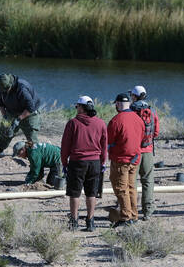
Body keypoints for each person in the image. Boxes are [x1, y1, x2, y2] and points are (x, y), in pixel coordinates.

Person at [61, 95, 106, 232]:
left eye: (77, 106)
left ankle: (74, 221)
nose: (76, 108)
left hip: (77, 161)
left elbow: (65, 146)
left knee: (74, 193)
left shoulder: (73, 123)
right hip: (95, 162)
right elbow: (104, 146)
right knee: (91, 193)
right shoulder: (101, 123)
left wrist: (64, 163)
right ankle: (90, 221)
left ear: (81, 108)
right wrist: (102, 162)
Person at [106, 92, 144, 226]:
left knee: (121, 188)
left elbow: (109, 140)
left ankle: (126, 217)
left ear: (117, 104)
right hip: (135, 159)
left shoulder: (116, 120)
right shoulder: (138, 119)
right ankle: (134, 215)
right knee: (131, 187)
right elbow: (142, 137)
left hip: (121, 160)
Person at [130, 85, 160, 219]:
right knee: (148, 181)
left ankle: (131, 211)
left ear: (134, 96)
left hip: (133, 152)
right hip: (147, 150)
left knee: (131, 181)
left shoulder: (130, 111)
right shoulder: (152, 111)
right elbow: (156, 132)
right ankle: (148, 212)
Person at [0, 73, 42, 155]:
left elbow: (30, 108)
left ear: (11, 84)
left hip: (29, 113)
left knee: (31, 137)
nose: (5, 91)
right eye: (3, 90)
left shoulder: (22, 89)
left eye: (7, 89)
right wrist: (5, 117)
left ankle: (35, 156)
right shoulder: (2, 88)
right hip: (12, 111)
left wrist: (18, 119)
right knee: (5, 131)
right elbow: (0, 104)